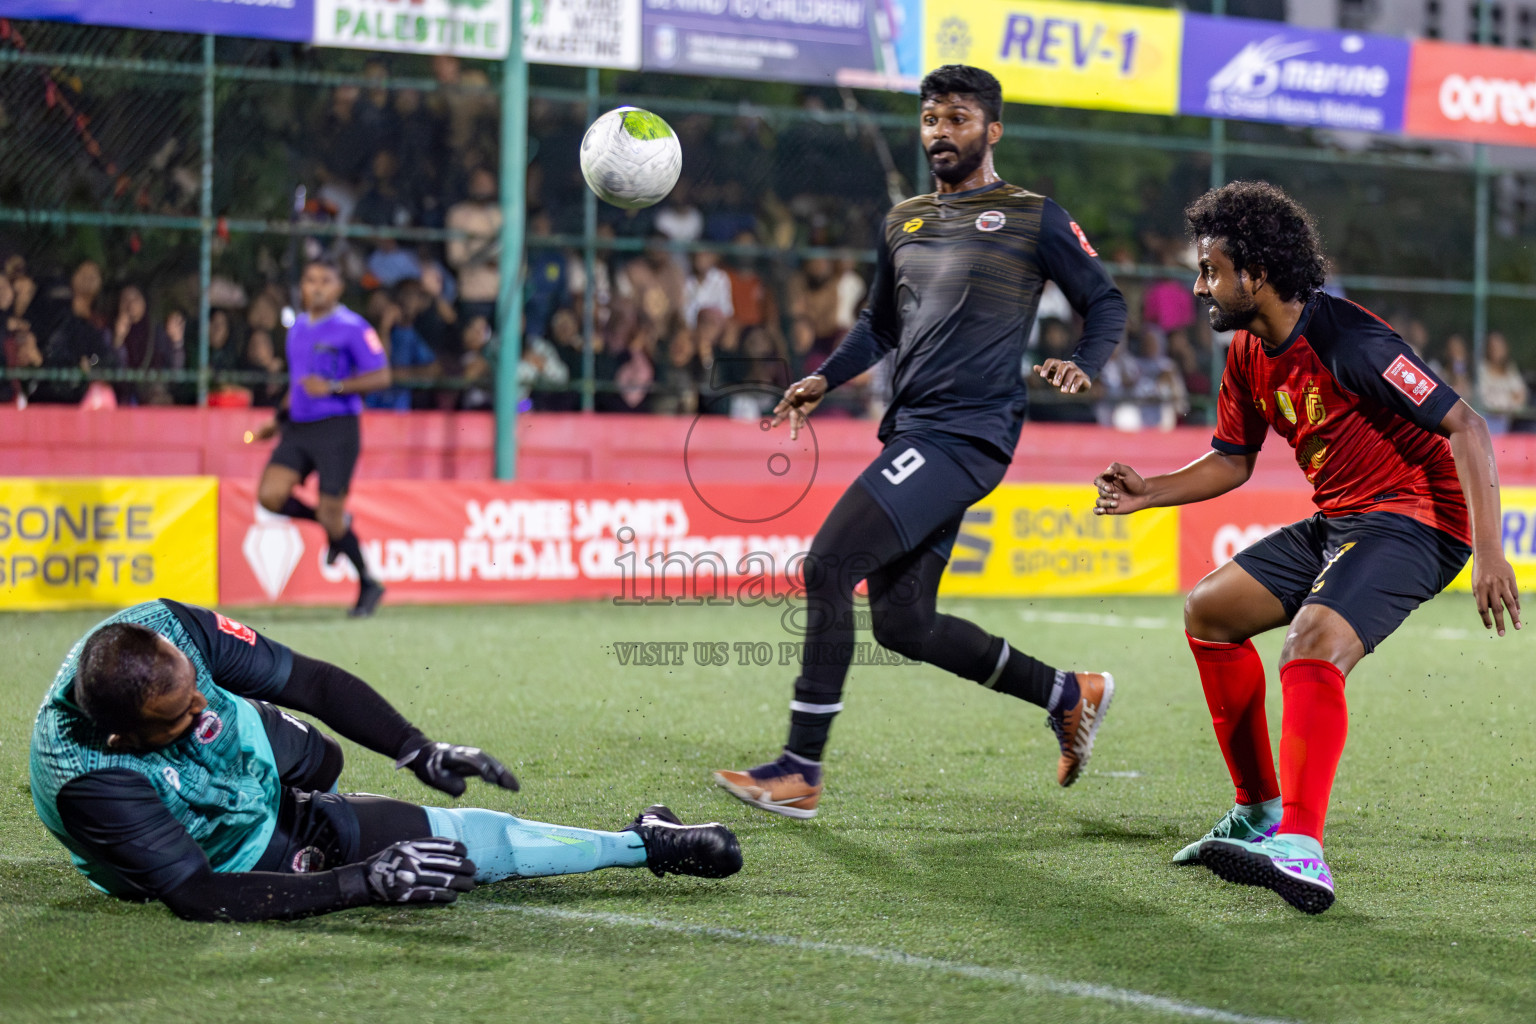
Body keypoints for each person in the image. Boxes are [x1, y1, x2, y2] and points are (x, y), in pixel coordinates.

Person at [1092, 181, 1520, 914]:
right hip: (1343, 520)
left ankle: (1303, 847)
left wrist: (1488, 551)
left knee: (1310, 643)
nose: (1200, 287)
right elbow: (1233, 458)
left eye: (1211, 271)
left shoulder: (1350, 339)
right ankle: (1258, 809)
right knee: (1209, 611)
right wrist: (1149, 490)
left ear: (1255, 274)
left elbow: (1469, 427)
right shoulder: (1249, 355)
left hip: (1420, 521)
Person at [713, 65, 1127, 818]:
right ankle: (1066, 692)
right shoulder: (902, 221)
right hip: (916, 430)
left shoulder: (1031, 215)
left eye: (959, 119)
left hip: (966, 434)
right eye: (932, 119)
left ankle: (799, 770)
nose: (942, 132)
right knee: (905, 624)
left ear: (992, 131)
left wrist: (1085, 362)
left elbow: (1105, 300)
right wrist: (823, 379)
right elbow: (879, 325)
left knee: (828, 565)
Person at [29, 600, 742, 923]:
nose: (202, 716)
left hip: (271, 793)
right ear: (124, 738)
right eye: (179, 721)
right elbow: (196, 893)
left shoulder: (173, 631)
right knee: (342, 850)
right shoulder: (87, 780)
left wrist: (415, 748)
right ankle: (637, 843)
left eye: (196, 695)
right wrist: (359, 883)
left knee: (420, 814)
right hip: (221, 859)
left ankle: (641, 841)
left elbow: (311, 681)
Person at [252, 260, 392, 617]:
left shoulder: (353, 328)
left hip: (337, 428)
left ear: (338, 288)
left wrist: (334, 386)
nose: (316, 287)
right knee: (270, 496)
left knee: (331, 512)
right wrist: (278, 419)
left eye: (325, 281)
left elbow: (381, 377)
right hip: (299, 427)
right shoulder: (297, 327)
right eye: (310, 279)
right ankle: (335, 526)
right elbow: (297, 383)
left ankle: (368, 582)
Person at [1478, 330, 1526, 434]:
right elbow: (1485, 400)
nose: (1497, 350)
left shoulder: (1510, 369)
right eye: (1493, 347)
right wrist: (1508, 400)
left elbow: (1520, 395)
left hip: (1509, 421)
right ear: (1488, 349)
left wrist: (1508, 407)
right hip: (1488, 421)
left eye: (1500, 346)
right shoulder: (1481, 369)